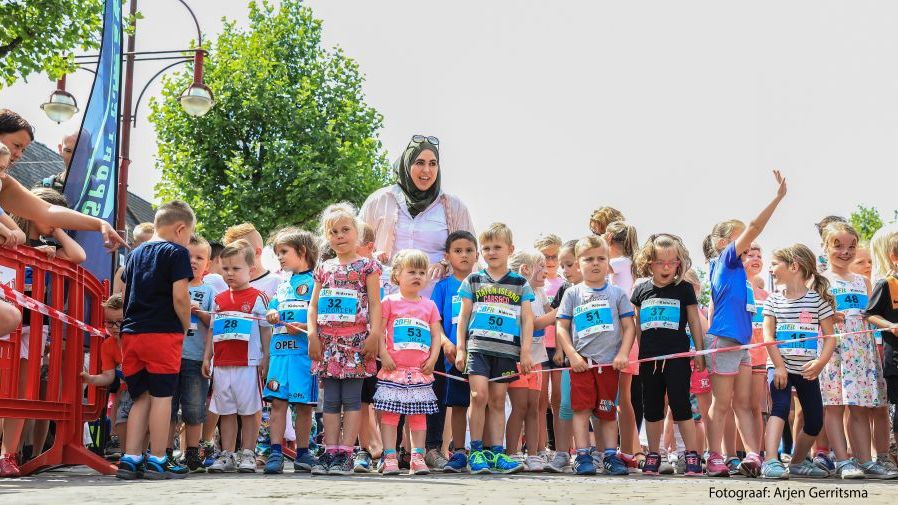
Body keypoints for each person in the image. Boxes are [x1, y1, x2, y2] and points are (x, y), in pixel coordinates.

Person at [0, 109, 127, 337]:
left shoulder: (4, 182)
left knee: (10, 316)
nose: (18, 155)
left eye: (23, 149)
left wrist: (99, 223)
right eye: (16, 145)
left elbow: (47, 210)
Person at [703, 170, 786, 478]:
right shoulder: (726, 259)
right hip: (724, 340)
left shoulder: (738, 271)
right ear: (724, 242)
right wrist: (777, 198)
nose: (748, 243)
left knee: (743, 403)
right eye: (741, 239)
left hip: (742, 343)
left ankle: (753, 455)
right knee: (721, 403)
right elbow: (755, 226)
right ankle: (714, 456)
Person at [115, 201, 195, 480]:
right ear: (180, 229)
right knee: (163, 396)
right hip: (162, 333)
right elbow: (180, 297)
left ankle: (131, 457)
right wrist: (185, 324)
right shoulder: (177, 252)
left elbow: (125, 291)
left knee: (141, 397)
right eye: (189, 235)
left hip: (132, 333)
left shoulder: (135, 254)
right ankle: (159, 458)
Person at [307, 203, 381, 476]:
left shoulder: (367, 267)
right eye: (333, 232)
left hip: (356, 344)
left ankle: (347, 454)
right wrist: (312, 334)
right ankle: (330, 451)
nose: (339, 236)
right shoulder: (323, 268)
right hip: (327, 345)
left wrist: (375, 335)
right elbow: (313, 306)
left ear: (357, 232)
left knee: (351, 399)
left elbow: (375, 303)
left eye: (345, 230)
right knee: (329, 401)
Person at [455, 223, 534, 475]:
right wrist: (461, 348)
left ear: (510, 249)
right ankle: (476, 451)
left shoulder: (520, 283)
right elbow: (463, 316)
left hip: (506, 351)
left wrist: (526, 351)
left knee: (498, 400)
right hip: (478, 347)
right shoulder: (473, 280)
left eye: (497, 247)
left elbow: (527, 319)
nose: (491, 252)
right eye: (486, 248)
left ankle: (498, 453)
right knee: (478, 396)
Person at [819, 222, 895, 479]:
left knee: (860, 406)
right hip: (834, 351)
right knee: (835, 406)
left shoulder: (864, 281)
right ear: (825, 247)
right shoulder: (819, 280)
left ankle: (865, 460)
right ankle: (842, 460)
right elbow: (807, 313)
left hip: (862, 352)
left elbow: (872, 314)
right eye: (838, 246)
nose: (845, 252)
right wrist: (827, 317)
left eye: (851, 246)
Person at [556, 235, 636, 476]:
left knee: (608, 412)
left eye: (601, 258)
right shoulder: (572, 294)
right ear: (578, 263)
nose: (595, 263)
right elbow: (561, 327)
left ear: (608, 261)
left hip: (609, 366)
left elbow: (629, 326)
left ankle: (610, 455)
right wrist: (573, 355)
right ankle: (583, 455)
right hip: (581, 365)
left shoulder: (618, 294)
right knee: (581, 411)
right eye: (588, 259)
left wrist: (623, 353)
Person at [359, 135, 474, 297]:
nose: (426, 170)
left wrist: (444, 263)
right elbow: (356, 246)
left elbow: (471, 254)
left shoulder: (454, 206)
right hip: (386, 301)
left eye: (432, 163)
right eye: (419, 163)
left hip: (436, 303)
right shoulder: (379, 201)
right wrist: (373, 256)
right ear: (407, 165)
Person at [760, 244, 836, 479]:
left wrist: (820, 363)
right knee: (780, 408)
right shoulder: (773, 300)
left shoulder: (817, 301)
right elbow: (768, 336)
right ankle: (770, 461)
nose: (770, 269)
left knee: (814, 420)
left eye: (775, 264)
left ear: (794, 266)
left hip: (807, 370)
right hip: (779, 367)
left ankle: (797, 462)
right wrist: (779, 366)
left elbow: (830, 337)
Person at [631, 233, 704, 477]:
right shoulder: (641, 290)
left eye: (672, 262)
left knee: (681, 404)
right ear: (650, 263)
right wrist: (642, 353)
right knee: (652, 407)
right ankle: (654, 454)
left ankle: (691, 454)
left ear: (679, 264)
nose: (666, 267)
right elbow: (637, 324)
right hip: (649, 360)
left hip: (677, 358)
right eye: (660, 262)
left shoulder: (684, 289)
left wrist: (699, 352)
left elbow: (694, 320)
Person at [203, 240, 272, 473]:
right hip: (222, 364)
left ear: (250, 270)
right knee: (226, 411)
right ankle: (227, 453)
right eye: (225, 268)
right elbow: (212, 330)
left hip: (248, 364)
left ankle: (248, 452)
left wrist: (266, 358)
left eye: (236, 268)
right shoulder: (219, 299)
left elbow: (265, 329)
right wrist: (207, 357)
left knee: (249, 411)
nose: (230, 273)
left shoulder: (258, 297)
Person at [375, 249, 442, 476]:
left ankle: (417, 457)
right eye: (412, 271)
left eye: (422, 272)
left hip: (420, 372)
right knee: (390, 416)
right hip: (394, 370)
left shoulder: (430, 306)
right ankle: (390, 457)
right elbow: (379, 331)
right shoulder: (389, 302)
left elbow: (436, 335)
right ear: (397, 275)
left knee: (418, 416)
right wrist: (384, 355)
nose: (417, 276)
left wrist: (433, 359)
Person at [261, 228, 319, 474]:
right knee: (277, 403)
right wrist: (272, 313)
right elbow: (271, 310)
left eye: (284, 252)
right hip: (279, 355)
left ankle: (303, 453)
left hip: (303, 357)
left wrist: (304, 327)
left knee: (304, 406)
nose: (280, 257)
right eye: (277, 253)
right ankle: (275, 452)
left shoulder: (317, 281)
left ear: (302, 251)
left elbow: (321, 317)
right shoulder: (283, 284)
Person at [431, 231, 478, 472]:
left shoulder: (483, 284)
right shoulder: (443, 287)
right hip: (453, 357)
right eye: (458, 251)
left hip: (481, 354)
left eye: (469, 250)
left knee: (482, 401)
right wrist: (445, 343)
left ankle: (483, 449)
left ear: (477, 255)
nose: (464, 255)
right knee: (458, 403)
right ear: (447, 256)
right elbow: (435, 320)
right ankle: (458, 451)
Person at [505, 249, 553, 471]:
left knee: (534, 407)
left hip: (537, 359)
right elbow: (535, 322)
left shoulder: (540, 292)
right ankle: (512, 453)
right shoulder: (517, 292)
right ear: (525, 269)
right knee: (520, 406)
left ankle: (533, 454)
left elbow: (551, 314)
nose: (546, 271)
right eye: (540, 266)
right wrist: (564, 309)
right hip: (517, 358)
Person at [173, 235, 214, 472]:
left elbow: (213, 324)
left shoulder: (208, 291)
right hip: (170, 356)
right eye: (188, 256)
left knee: (194, 408)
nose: (193, 261)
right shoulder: (173, 286)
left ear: (207, 264)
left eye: (200, 257)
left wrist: (200, 313)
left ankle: (192, 453)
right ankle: (165, 451)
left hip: (195, 357)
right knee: (168, 407)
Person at [604, 220, 642, 459]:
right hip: (629, 334)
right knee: (624, 399)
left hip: (620, 336)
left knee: (620, 399)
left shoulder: (617, 263)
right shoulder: (631, 264)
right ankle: (632, 449)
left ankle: (629, 448)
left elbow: (594, 264)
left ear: (608, 239)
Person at [545, 239, 581, 473]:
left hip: (599, 360)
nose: (565, 270)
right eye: (563, 265)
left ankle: (600, 453)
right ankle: (561, 453)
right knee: (564, 404)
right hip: (571, 359)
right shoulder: (565, 290)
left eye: (569, 264)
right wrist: (560, 349)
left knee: (599, 407)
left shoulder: (607, 289)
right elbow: (559, 321)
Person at [865, 227, 898, 475]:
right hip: (895, 360)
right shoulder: (886, 284)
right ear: (893, 257)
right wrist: (890, 325)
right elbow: (870, 314)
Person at [80, 295, 128, 449]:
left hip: (146, 389)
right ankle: (126, 452)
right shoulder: (107, 345)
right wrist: (90, 379)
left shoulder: (136, 339)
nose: (114, 327)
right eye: (109, 322)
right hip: (126, 390)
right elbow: (108, 376)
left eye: (119, 322)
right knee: (121, 421)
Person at [533, 234, 564, 459]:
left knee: (559, 400)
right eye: (546, 257)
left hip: (560, 347)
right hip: (541, 346)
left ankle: (561, 449)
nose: (550, 261)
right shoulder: (536, 284)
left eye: (555, 256)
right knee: (540, 400)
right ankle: (541, 447)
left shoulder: (565, 283)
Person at [113, 223, 155, 295]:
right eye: (145, 245)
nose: (150, 250)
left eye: (154, 245)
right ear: (134, 245)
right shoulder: (123, 271)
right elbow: (115, 299)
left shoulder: (162, 270)